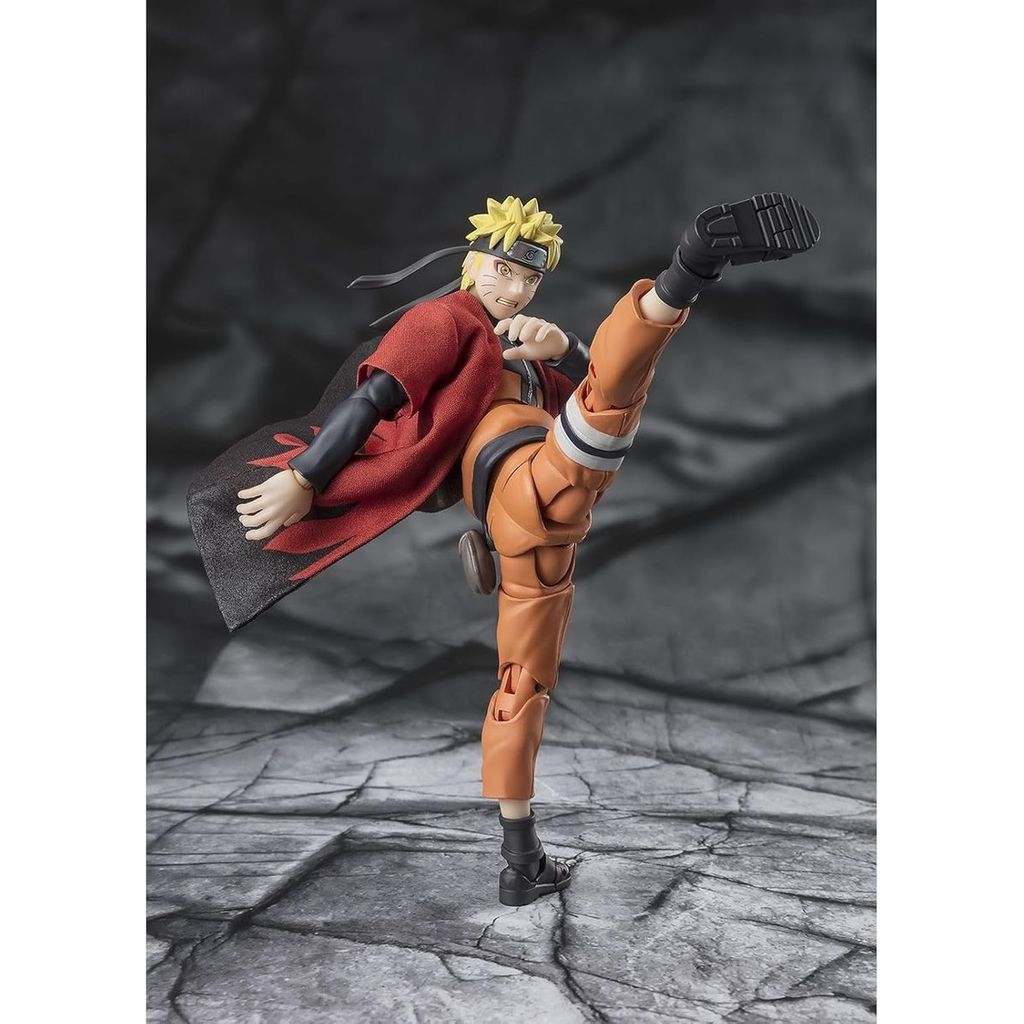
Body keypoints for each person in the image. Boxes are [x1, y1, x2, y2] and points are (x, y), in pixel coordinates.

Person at [188, 192, 820, 905]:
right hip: (524, 481)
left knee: (524, 683)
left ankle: (522, 861)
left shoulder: (510, 346)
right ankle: (687, 270)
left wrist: (563, 351)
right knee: (613, 407)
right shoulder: (444, 321)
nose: (515, 290)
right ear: (471, 263)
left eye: (529, 279)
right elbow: (369, 402)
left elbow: (583, 385)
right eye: (503, 271)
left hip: (537, 536)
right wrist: (305, 477)